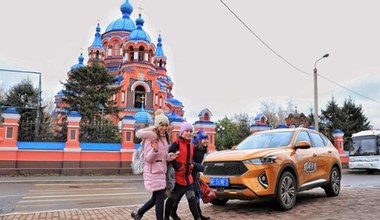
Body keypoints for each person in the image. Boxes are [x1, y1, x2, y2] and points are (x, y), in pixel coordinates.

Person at [131, 109, 178, 220]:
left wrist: (170, 156)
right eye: (162, 125)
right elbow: (148, 158)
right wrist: (154, 150)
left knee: (155, 199)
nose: (164, 128)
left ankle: (138, 213)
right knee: (160, 199)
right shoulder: (151, 137)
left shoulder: (164, 138)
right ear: (157, 125)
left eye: (166, 125)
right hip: (153, 172)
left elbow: (163, 156)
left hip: (161, 172)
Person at [170, 129, 210, 220]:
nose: (206, 140)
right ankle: (174, 211)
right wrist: (201, 168)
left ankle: (198, 215)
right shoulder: (194, 147)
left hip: (194, 174)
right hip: (188, 174)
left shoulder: (203, 149)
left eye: (207, 138)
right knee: (188, 194)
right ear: (199, 140)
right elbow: (190, 162)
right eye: (204, 139)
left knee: (192, 194)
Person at [164, 122, 201, 220]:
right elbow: (168, 155)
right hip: (178, 178)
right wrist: (177, 166)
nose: (188, 133)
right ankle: (166, 217)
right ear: (182, 132)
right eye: (186, 131)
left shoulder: (191, 145)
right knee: (171, 199)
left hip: (188, 178)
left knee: (192, 199)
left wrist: (196, 167)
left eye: (190, 131)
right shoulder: (176, 143)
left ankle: (197, 218)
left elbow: (190, 160)